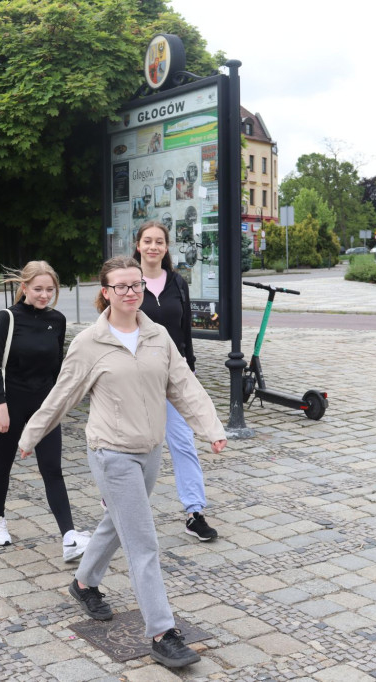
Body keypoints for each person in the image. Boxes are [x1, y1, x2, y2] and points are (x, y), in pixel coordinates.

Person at [18, 256, 227, 668]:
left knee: (118, 520)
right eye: (121, 286)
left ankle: (83, 582)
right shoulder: (89, 343)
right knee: (143, 541)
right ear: (106, 293)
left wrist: (212, 428)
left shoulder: (158, 336)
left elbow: (184, 386)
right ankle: (163, 633)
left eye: (136, 285)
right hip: (111, 452)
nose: (131, 292)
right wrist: (30, 435)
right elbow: (62, 396)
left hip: (149, 451)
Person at [0, 261, 90, 562]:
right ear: (25, 287)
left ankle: (69, 537)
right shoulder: (8, 317)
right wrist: (1, 407)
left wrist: (56, 406)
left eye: (50, 289)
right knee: (3, 463)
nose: (44, 295)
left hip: (44, 407)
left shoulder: (57, 320)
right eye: (38, 289)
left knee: (52, 469)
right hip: (12, 403)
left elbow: (57, 369)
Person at [132, 219, 219, 541]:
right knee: (136, 444)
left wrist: (190, 370)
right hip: (137, 378)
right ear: (138, 245)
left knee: (183, 443)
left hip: (174, 376)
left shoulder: (178, 283)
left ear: (166, 248)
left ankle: (194, 512)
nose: (153, 247)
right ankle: (118, 502)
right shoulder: (129, 282)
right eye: (148, 241)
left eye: (159, 242)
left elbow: (185, 332)